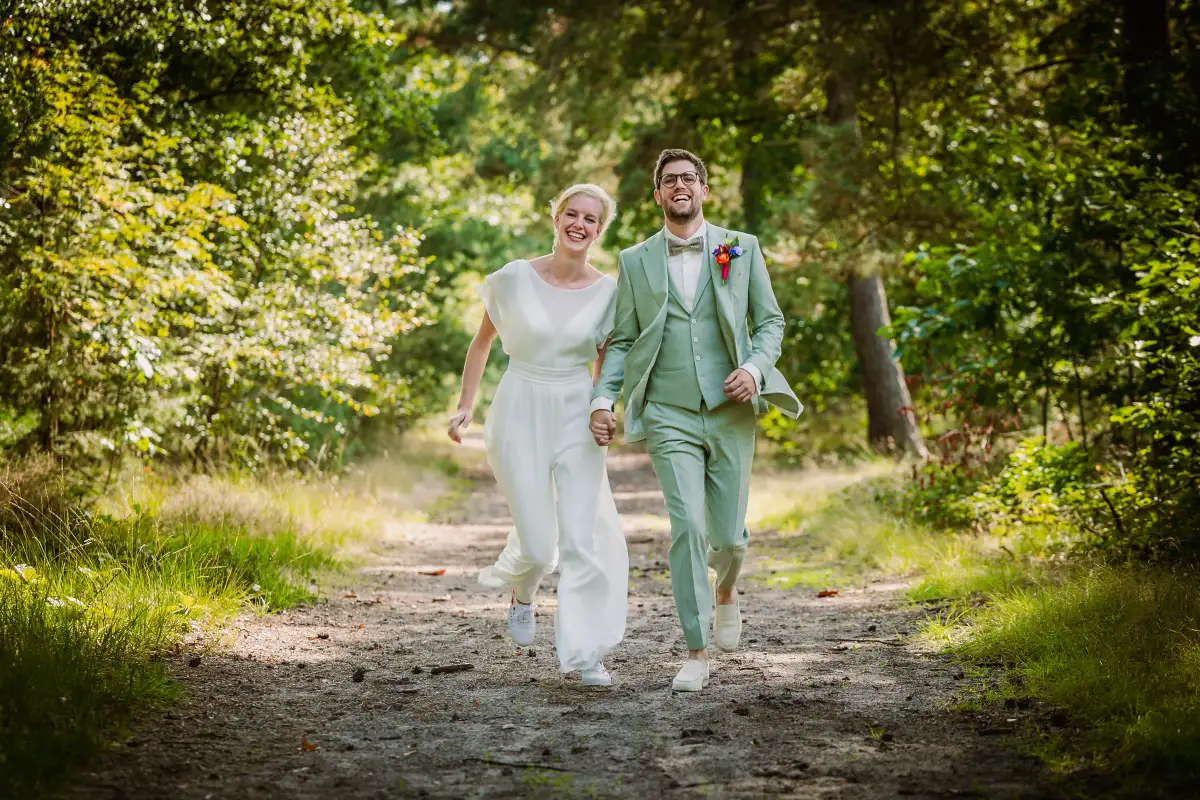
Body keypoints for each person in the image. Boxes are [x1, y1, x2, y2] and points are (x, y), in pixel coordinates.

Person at [590, 149, 802, 692]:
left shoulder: (741, 248)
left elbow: (770, 321)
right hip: (667, 410)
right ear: (658, 195)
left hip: (732, 411)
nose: (679, 185)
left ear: (704, 190)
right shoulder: (636, 259)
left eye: (689, 178)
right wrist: (602, 400)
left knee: (729, 538)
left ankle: (727, 588)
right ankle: (696, 651)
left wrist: (755, 369)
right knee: (687, 525)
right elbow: (622, 338)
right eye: (669, 181)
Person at [448, 184, 628, 687]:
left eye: (591, 219)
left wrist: (603, 407)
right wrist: (465, 406)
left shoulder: (609, 292)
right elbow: (482, 344)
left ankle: (584, 653)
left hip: (575, 410)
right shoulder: (512, 278)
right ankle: (522, 593)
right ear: (556, 218)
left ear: (599, 230)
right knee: (540, 546)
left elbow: (606, 363)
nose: (579, 224)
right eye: (572, 214)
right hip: (518, 407)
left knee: (580, 537)